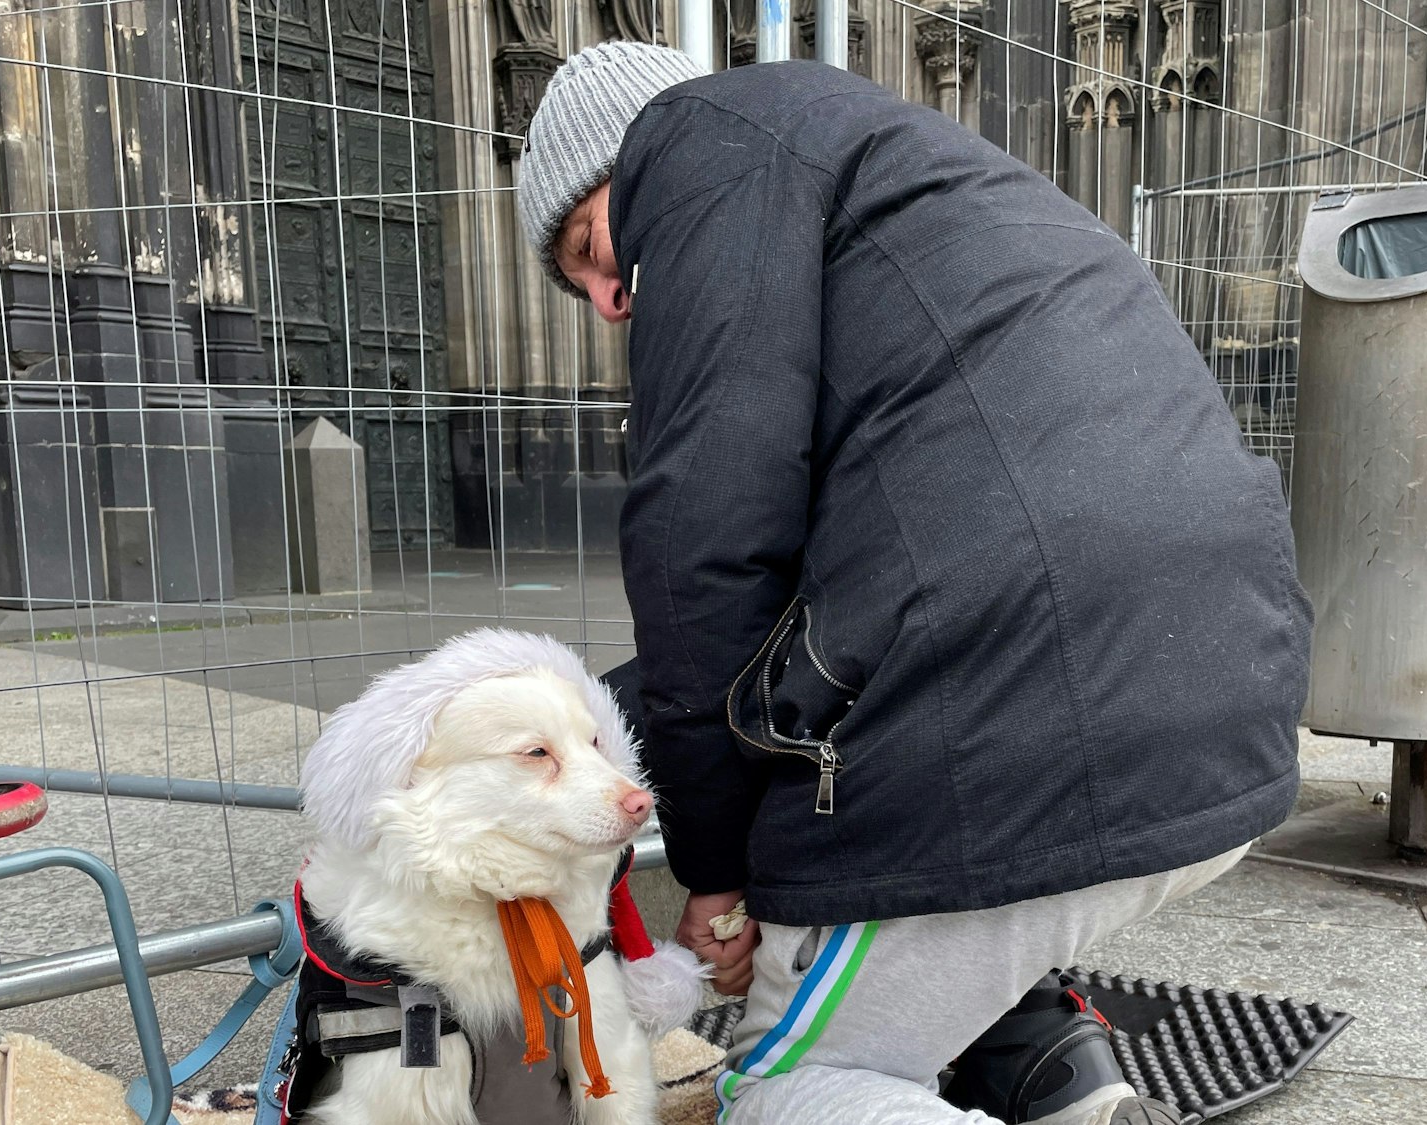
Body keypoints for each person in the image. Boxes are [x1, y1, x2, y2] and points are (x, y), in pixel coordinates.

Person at [518, 43, 1312, 1125]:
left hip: (1026, 707)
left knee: (785, 1089)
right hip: (1223, 702)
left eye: (588, 247)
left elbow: (702, 539)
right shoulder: (912, 175)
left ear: (633, 157)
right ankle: (1063, 1082)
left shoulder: (698, 146)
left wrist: (713, 875)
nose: (607, 300)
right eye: (580, 287)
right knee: (934, 903)